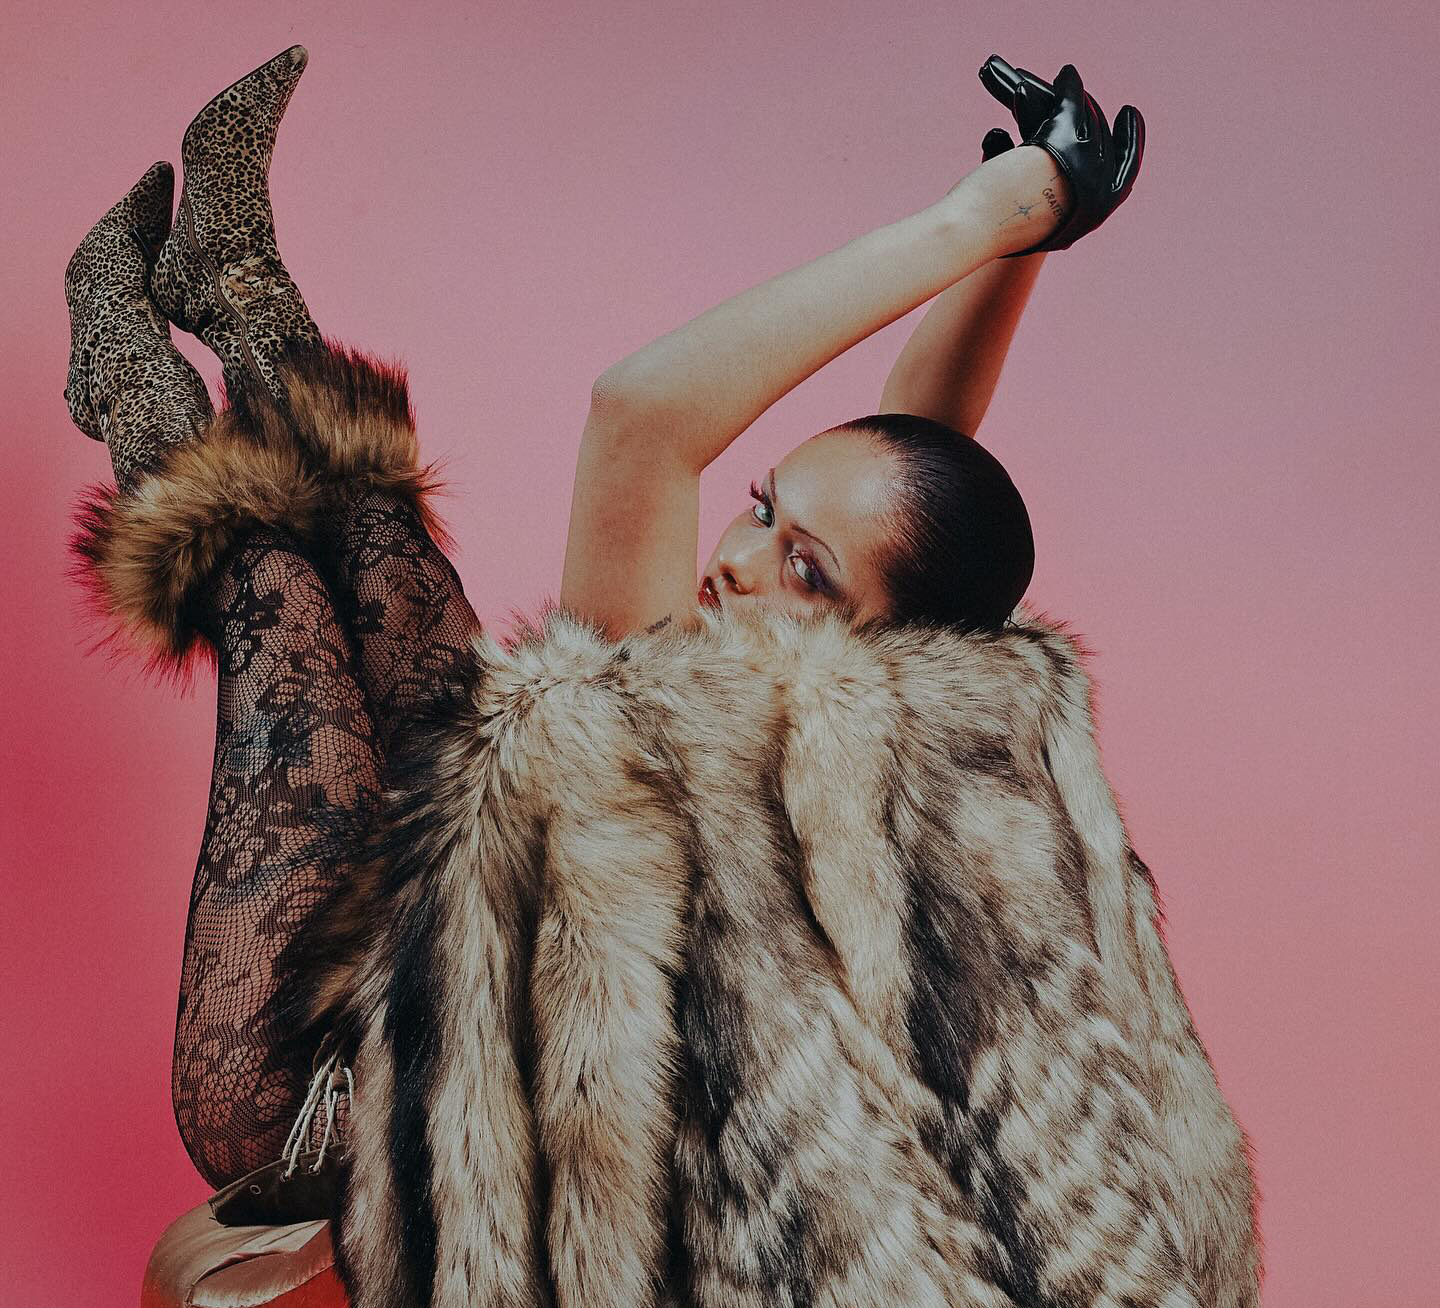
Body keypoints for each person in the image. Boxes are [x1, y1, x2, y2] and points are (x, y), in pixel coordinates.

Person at [63, 45, 1141, 1193]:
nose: (733, 564)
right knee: (379, 554)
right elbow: (924, 472)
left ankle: (121, 365)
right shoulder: (901, 719)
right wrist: (1025, 247)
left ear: (891, 654)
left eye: (803, 570)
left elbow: (641, 416)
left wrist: (984, 211)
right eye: (761, 508)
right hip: (441, 967)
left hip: (324, 1104)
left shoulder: (706, 745)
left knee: (276, 592)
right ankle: (231, 280)